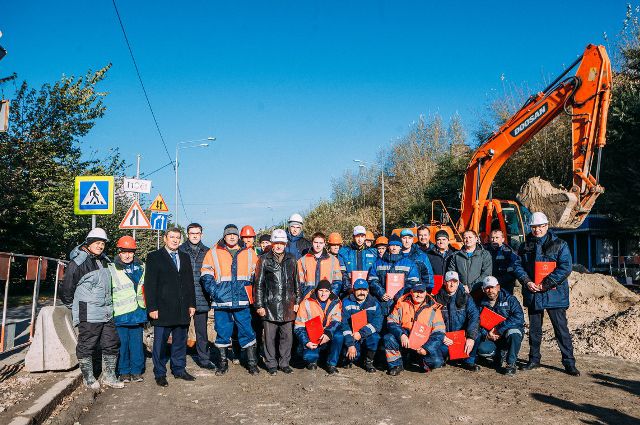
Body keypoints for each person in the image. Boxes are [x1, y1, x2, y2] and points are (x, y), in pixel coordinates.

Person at [512, 212, 580, 376]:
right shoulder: (525, 245)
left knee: (561, 330)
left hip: (554, 294)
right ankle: (534, 359)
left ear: (547, 226)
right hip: (533, 292)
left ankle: (569, 363)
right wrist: (527, 281)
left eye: (541, 226)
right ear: (531, 227)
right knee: (534, 330)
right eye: (534, 227)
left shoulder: (560, 244)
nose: (537, 230)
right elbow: (517, 266)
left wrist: (545, 285)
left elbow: (565, 268)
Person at [61, 228, 123, 390]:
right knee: (87, 344)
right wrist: (74, 306)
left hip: (107, 311)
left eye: (102, 243)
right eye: (97, 243)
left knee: (111, 343)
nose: (100, 246)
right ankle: (88, 378)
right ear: (88, 243)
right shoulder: (78, 263)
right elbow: (67, 289)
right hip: (88, 312)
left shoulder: (103, 260)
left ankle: (109, 376)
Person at [201, 224, 259, 375]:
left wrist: (251, 293)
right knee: (222, 332)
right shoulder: (212, 252)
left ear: (238, 236)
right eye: (229, 234)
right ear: (224, 236)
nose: (232, 237)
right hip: (222, 302)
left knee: (247, 331)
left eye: (234, 234)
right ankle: (222, 364)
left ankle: (252, 364)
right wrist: (215, 292)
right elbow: (206, 276)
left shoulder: (250, 253)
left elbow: (257, 276)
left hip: (242, 300)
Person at [145, 228, 196, 387]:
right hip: (162, 309)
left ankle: (179, 369)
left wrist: (192, 304)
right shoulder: (154, 257)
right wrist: (152, 307)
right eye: (172, 237)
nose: (175, 240)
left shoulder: (185, 257)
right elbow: (150, 284)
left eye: (177, 238)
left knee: (180, 341)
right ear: (165, 238)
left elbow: (189, 283)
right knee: (159, 344)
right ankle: (160, 373)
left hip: (182, 309)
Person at [254, 229, 301, 375]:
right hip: (270, 305)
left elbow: (296, 282)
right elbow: (258, 284)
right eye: (276, 243)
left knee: (287, 336)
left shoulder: (292, 259)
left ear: (285, 244)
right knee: (269, 337)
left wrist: (298, 300)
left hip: (288, 304)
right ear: (272, 244)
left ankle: (284, 363)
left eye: (282, 243)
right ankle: (271, 364)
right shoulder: (264, 259)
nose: (279, 246)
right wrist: (259, 305)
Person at [384, 283, 446, 376]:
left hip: (424, 342)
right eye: (416, 292)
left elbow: (439, 332)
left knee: (436, 362)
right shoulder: (401, 303)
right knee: (389, 338)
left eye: (421, 292)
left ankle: (419, 360)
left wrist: (427, 348)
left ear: (425, 293)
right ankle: (396, 365)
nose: (418, 295)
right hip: (405, 339)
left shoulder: (434, 308)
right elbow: (391, 321)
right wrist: (401, 334)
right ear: (411, 292)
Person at [110, 236, 147, 383]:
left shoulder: (142, 267)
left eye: (130, 252)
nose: (127, 255)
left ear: (134, 252)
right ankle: (124, 371)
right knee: (122, 345)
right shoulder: (112, 268)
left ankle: (137, 371)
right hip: (120, 314)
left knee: (137, 345)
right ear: (119, 252)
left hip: (137, 313)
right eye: (124, 251)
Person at [178, 223, 214, 370]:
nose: (194, 235)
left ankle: (204, 360)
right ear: (187, 234)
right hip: (183, 298)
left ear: (201, 235)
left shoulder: (207, 252)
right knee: (181, 331)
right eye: (192, 233)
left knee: (201, 332)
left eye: (197, 233)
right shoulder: (180, 250)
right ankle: (179, 361)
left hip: (201, 296)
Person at [475, 276, 524, 376]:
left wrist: (499, 329)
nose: (490, 290)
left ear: (498, 287)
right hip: (491, 336)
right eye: (487, 288)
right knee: (482, 349)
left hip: (506, 333)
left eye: (492, 287)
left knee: (514, 333)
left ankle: (511, 363)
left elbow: (519, 318)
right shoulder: (480, 303)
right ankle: (498, 355)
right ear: (483, 290)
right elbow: (476, 322)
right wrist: (486, 334)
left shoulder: (510, 299)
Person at [294, 280, 344, 374]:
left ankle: (331, 364)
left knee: (339, 336)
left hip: (328, 332)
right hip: (312, 334)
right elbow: (298, 326)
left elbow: (336, 321)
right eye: (321, 290)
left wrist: (327, 333)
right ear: (317, 290)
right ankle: (313, 360)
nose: (323, 294)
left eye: (326, 291)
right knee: (309, 356)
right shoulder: (306, 302)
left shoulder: (336, 301)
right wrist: (306, 342)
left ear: (330, 292)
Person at [433, 271, 480, 371]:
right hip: (445, 338)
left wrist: (470, 337)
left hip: (461, 337)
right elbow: (430, 320)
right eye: (449, 281)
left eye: (455, 281)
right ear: (444, 282)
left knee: (477, 334)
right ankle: (446, 357)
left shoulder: (466, 298)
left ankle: (469, 361)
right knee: (438, 358)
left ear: (458, 283)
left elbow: (474, 316)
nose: (452, 284)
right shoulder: (436, 299)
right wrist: (441, 336)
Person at [368, 234, 420, 315]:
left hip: (401, 304)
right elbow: (372, 280)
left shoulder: (409, 263)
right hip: (382, 304)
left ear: (400, 247)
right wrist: (381, 293)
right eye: (392, 245)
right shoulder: (378, 263)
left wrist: (399, 295)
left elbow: (413, 282)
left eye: (397, 245)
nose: (394, 248)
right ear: (388, 247)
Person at [341, 279, 383, 372]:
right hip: (352, 335)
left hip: (366, 335)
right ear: (353, 290)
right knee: (353, 356)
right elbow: (344, 325)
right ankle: (349, 359)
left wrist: (361, 333)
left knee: (375, 337)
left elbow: (377, 324)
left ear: (368, 291)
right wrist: (350, 344)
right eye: (358, 290)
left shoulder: (374, 303)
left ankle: (368, 362)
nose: (361, 292)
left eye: (364, 290)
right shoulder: (346, 302)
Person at [448, 230, 492, 296]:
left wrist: (470, 287)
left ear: (476, 239)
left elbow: (486, 274)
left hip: (479, 291)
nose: (467, 240)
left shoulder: (484, 254)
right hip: (460, 291)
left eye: (470, 237)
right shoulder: (456, 255)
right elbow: (451, 273)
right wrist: (460, 286)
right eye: (465, 238)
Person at [297, 232, 342, 297]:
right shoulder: (302, 260)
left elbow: (337, 281)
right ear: (312, 243)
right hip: (308, 298)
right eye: (316, 242)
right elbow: (299, 283)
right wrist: (305, 296)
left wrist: (331, 295)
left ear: (324, 244)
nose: (318, 245)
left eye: (320, 243)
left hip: (326, 298)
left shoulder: (333, 260)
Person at [338, 226, 378, 296]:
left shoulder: (373, 253)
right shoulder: (343, 252)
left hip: (368, 291)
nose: (360, 239)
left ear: (365, 237)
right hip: (350, 291)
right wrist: (349, 289)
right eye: (357, 236)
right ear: (353, 237)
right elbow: (342, 273)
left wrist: (370, 289)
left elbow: (375, 274)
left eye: (362, 236)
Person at [484, 229, 520, 294]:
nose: (494, 240)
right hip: (488, 283)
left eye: (497, 238)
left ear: (503, 239)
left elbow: (512, 272)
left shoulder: (509, 252)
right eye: (492, 238)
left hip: (505, 285)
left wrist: (497, 282)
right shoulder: (484, 250)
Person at [400, 228, 435, 292]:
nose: (407, 241)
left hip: (416, 292)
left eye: (409, 238)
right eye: (404, 238)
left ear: (413, 239)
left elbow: (428, 276)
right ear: (400, 239)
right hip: (397, 292)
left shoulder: (421, 256)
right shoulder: (395, 255)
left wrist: (427, 291)